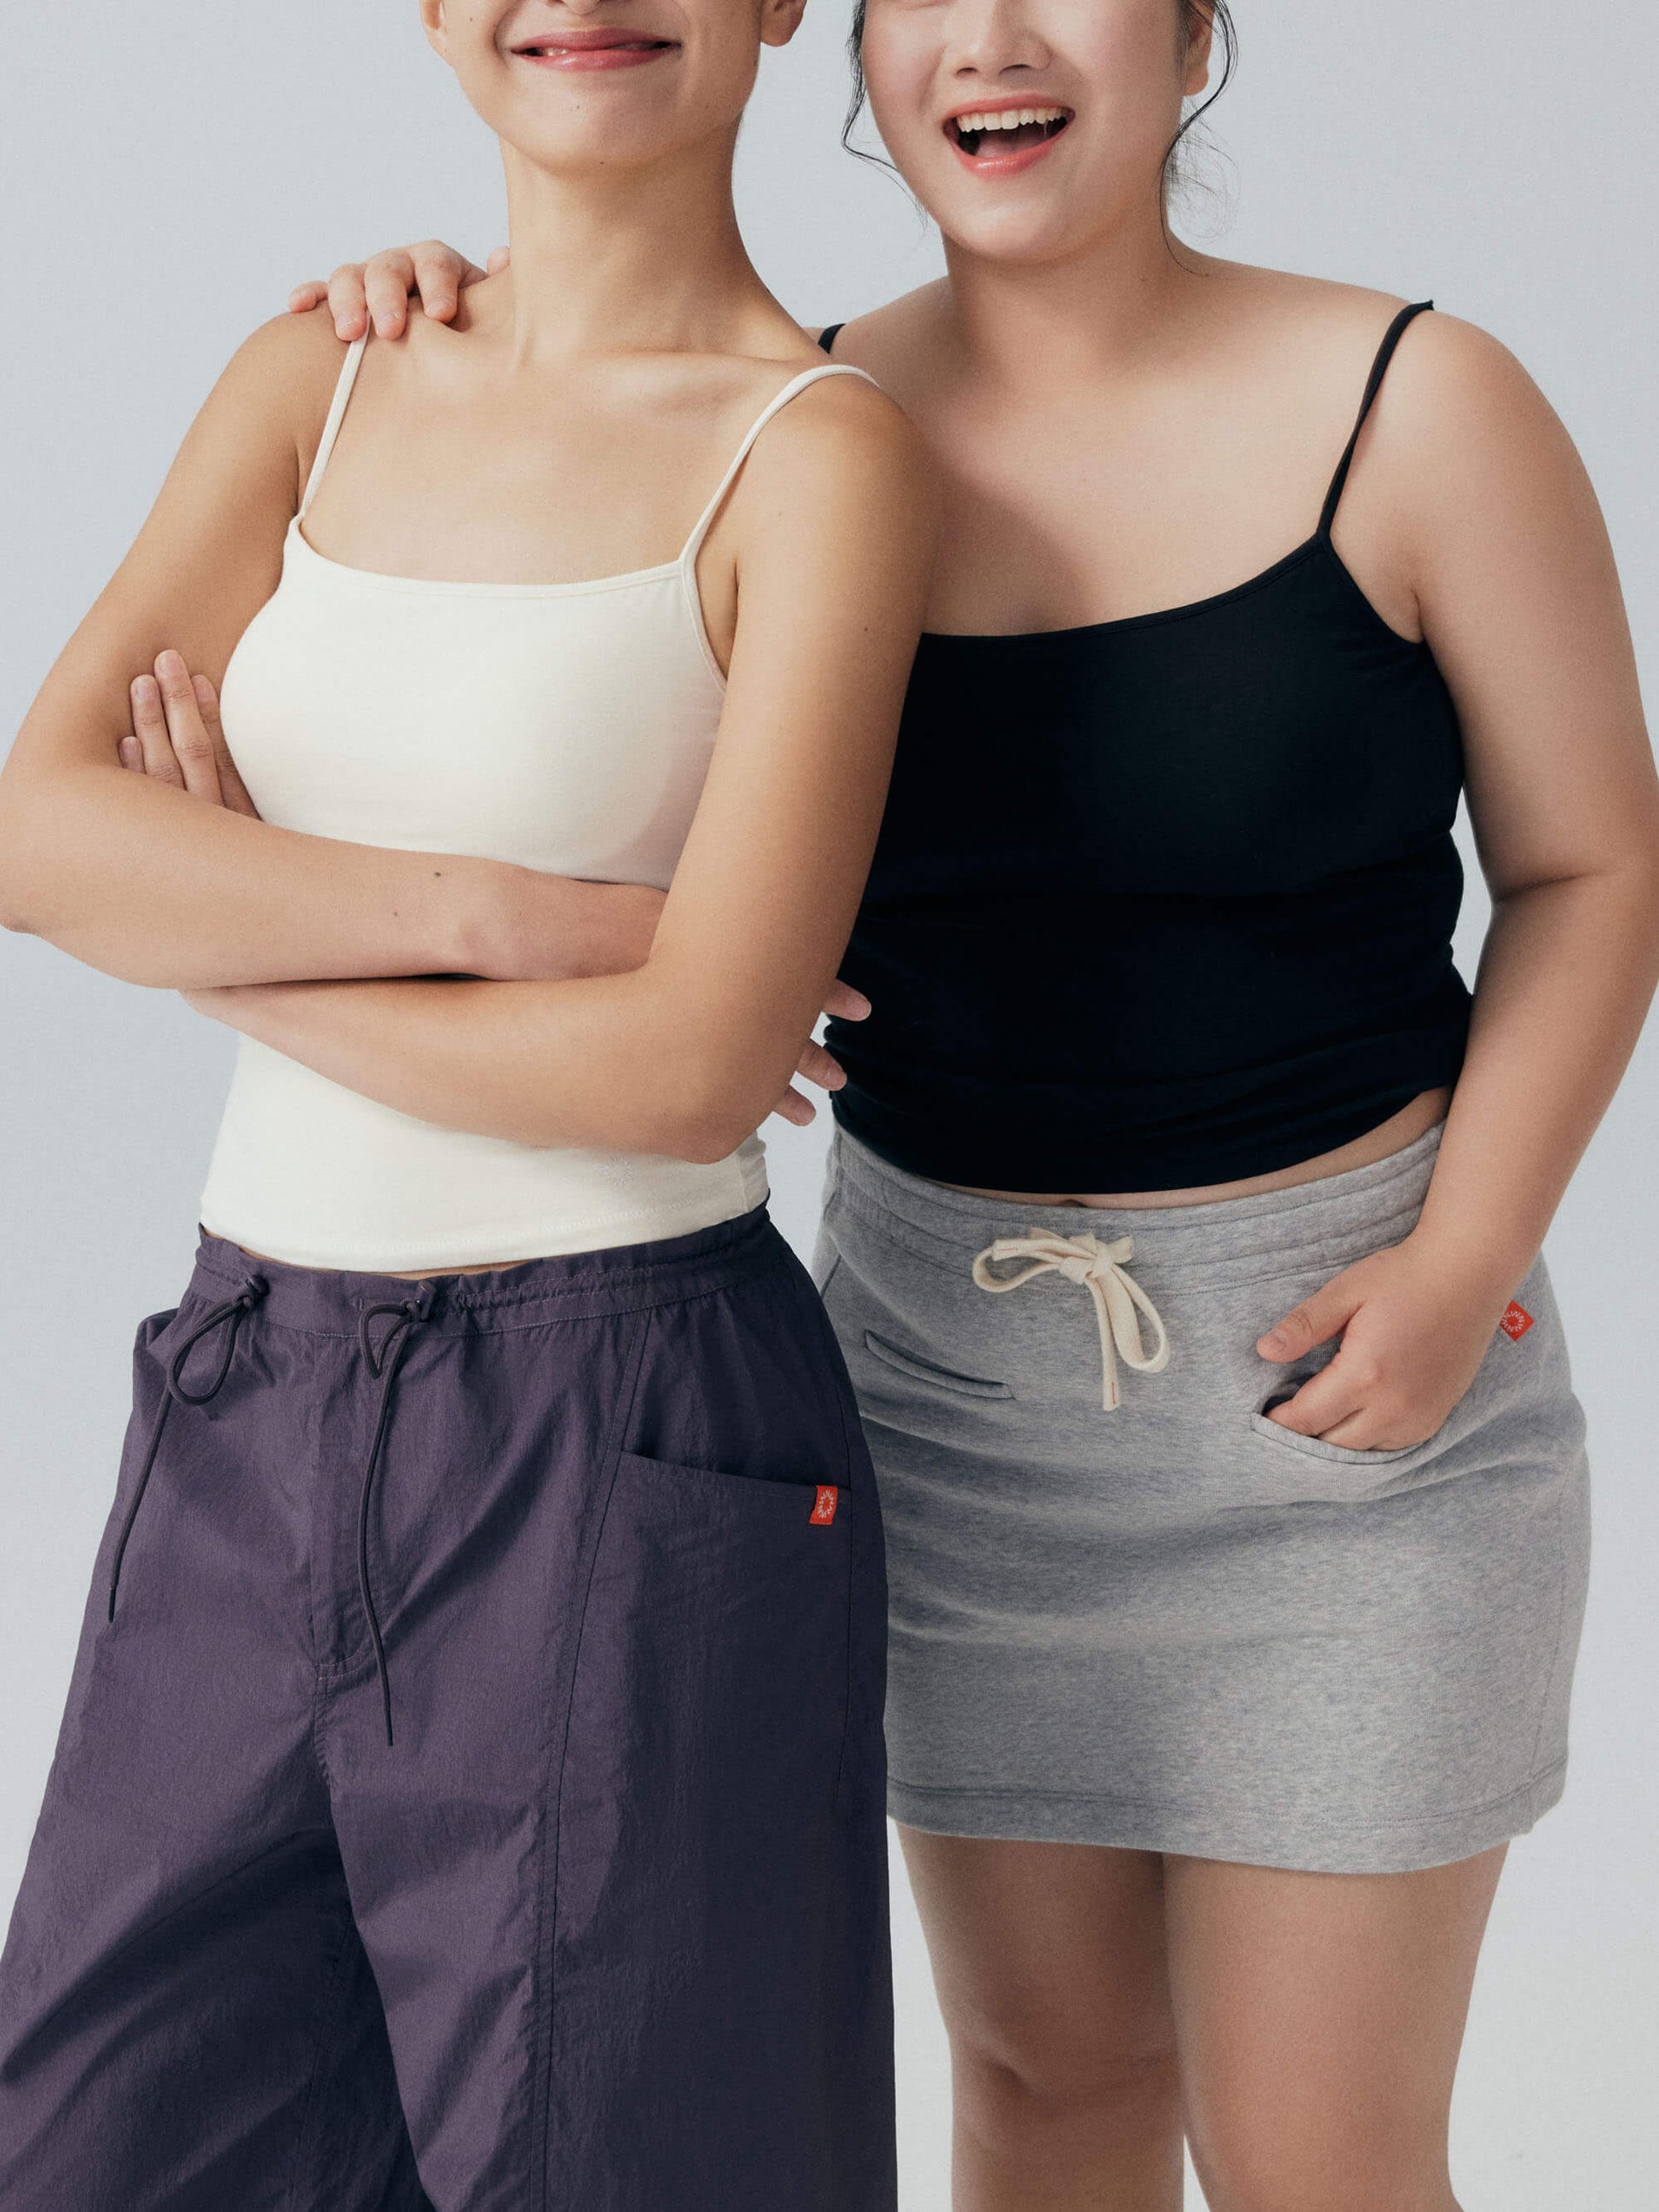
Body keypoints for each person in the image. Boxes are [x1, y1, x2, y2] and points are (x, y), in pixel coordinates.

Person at [211, 2, 1659, 2208]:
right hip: (933, 1382)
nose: (990, 36)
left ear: (1188, 36)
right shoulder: (784, 419)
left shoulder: (1416, 404)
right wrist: (417, 310)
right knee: (1041, 2086)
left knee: (1318, 2154)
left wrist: (1461, 1263)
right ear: (861, 58)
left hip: (1352, 1394)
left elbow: (1591, 862)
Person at [0, 2, 937, 2205]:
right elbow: (38, 837)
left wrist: (221, 928)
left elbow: (696, 1064)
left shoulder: (816, 451)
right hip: (252, 1379)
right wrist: (506, 915)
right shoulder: (310, 373)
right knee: (99, 2146)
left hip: (621, 1410)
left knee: (619, 2164)